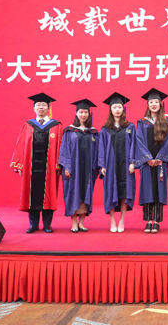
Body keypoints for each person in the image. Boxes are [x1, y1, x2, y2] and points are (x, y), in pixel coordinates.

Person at [11, 93, 62, 234]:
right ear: (34, 108)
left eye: (44, 105)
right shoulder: (28, 125)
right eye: (38, 105)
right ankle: (33, 225)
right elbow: (21, 145)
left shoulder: (56, 126)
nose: (41, 107)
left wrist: (59, 165)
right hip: (31, 167)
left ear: (48, 108)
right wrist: (20, 164)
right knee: (31, 193)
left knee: (49, 194)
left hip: (49, 168)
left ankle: (47, 225)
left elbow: (60, 146)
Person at [135, 88, 168, 234]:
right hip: (147, 163)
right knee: (147, 190)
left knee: (159, 190)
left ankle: (156, 221)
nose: (153, 104)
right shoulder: (142, 123)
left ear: (160, 104)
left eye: (156, 102)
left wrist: (160, 158)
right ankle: (147, 221)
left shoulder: (167, 121)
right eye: (151, 102)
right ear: (147, 104)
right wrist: (148, 158)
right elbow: (139, 141)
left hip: (160, 163)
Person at [59, 99, 100, 233]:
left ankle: (81, 223)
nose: (83, 114)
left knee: (85, 192)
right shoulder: (69, 131)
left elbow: (97, 151)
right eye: (81, 112)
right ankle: (73, 223)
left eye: (86, 112)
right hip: (73, 168)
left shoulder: (93, 132)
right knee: (73, 192)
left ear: (89, 113)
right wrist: (66, 167)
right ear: (76, 113)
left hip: (88, 168)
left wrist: (96, 166)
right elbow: (64, 149)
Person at [98, 93, 136, 233]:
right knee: (110, 191)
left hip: (126, 165)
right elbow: (101, 147)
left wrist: (132, 162)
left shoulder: (130, 126)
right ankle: (113, 221)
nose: (117, 110)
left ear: (123, 108)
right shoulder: (105, 129)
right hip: (110, 165)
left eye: (119, 107)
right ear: (110, 109)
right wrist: (102, 165)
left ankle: (122, 220)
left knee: (125, 191)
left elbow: (133, 145)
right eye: (114, 107)